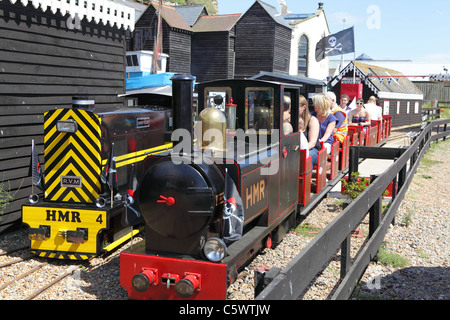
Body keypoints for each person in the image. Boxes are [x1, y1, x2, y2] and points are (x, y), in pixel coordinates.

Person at [299, 95, 320, 165]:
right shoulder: (290, 119)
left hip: (311, 149)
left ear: (304, 107)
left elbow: (312, 143)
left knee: (306, 158)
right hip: (295, 149)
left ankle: (306, 175)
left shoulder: (312, 120)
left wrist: (300, 151)